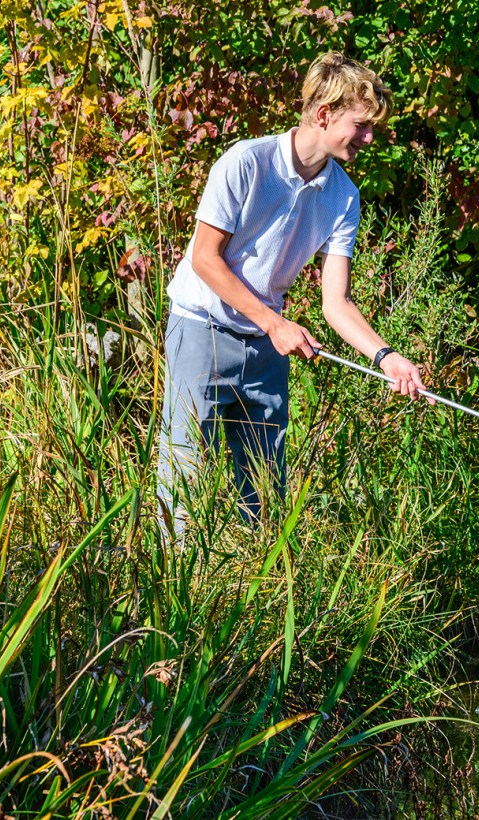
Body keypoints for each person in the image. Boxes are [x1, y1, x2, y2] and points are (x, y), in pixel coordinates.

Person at [159, 52, 426, 539]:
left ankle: (256, 588)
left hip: (266, 347)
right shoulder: (246, 162)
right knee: (185, 476)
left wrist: (386, 357)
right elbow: (204, 259)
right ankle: (176, 596)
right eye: (361, 125)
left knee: (264, 486)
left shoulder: (343, 196)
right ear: (324, 114)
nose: (369, 137)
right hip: (200, 327)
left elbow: (335, 303)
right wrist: (274, 323)